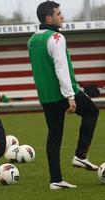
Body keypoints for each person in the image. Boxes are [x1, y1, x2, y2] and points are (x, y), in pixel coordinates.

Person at [27, 1, 99, 190]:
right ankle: (80, 156)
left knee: (54, 137)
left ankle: (55, 180)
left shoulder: (32, 40)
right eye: (59, 13)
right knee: (92, 112)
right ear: (49, 18)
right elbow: (61, 69)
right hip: (63, 93)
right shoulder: (57, 37)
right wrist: (70, 97)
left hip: (46, 97)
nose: (62, 16)